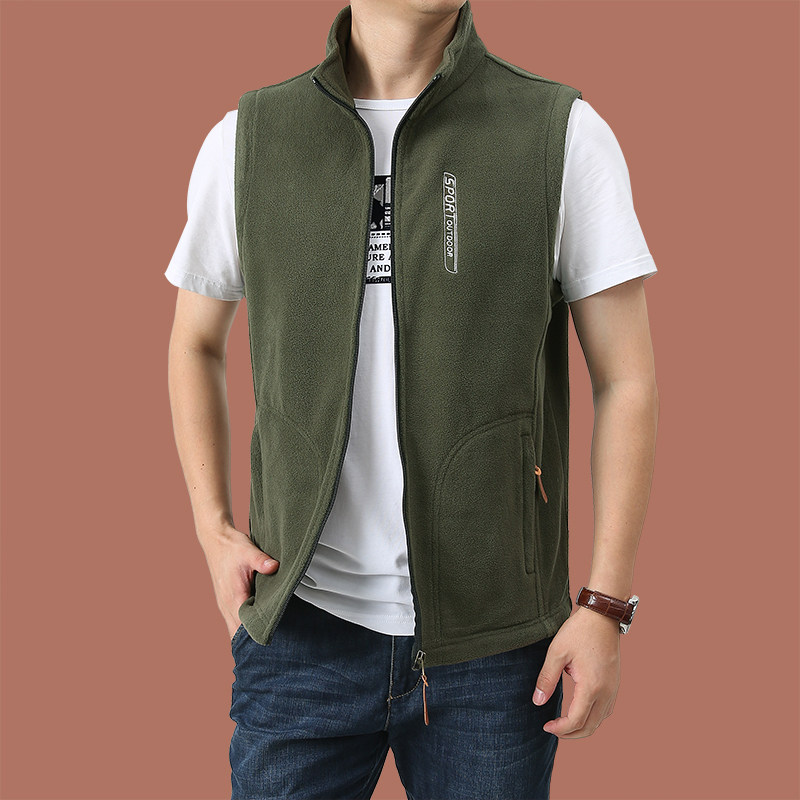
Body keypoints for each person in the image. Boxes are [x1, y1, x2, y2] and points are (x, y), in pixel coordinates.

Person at [164, 1, 659, 797]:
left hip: (496, 647)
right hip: (300, 629)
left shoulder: (559, 133)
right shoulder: (250, 139)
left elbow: (625, 379)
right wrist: (211, 528)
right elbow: (194, 340)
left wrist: (604, 606)